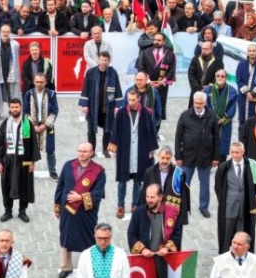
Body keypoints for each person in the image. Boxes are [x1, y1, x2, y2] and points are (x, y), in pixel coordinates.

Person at [126, 183, 183, 278]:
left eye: (152, 197)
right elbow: (131, 234)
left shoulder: (172, 212)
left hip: (161, 258)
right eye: (147, 196)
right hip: (143, 258)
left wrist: (166, 247)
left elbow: (177, 234)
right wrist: (143, 249)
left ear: (160, 197)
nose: (149, 200)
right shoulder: (139, 213)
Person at [54, 142, 106, 278]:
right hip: (67, 209)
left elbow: (98, 193)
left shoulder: (99, 171)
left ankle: (90, 267)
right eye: (79, 151)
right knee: (65, 235)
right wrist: (57, 206)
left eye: (84, 151)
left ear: (91, 153)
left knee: (88, 237)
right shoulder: (68, 165)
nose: (81, 154)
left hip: (86, 212)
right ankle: (66, 266)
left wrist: (81, 197)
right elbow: (60, 187)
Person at [108, 90, 158, 218]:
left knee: (138, 181)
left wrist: (151, 149)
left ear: (139, 99)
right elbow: (115, 130)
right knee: (122, 181)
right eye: (129, 100)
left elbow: (151, 131)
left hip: (140, 150)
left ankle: (135, 205)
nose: (131, 103)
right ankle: (120, 205)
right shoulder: (121, 113)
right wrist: (113, 148)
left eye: (134, 100)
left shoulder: (146, 113)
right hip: (125, 150)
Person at [0, 98, 40, 223]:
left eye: (17, 107)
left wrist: (32, 162)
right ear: (9, 108)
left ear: (21, 107)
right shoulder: (5, 124)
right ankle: (8, 210)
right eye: (12, 107)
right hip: (8, 160)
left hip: (24, 161)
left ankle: (22, 211)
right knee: (6, 185)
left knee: (24, 185)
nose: (14, 109)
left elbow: (33, 144)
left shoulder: (27, 124)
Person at [175, 91, 220, 218]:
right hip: (188, 155)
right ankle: (182, 205)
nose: (198, 105)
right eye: (196, 102)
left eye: (200, 103)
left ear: (205, 103)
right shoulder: (185, 116)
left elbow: (217, 137)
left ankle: (204, 207)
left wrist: (216, 157)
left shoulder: (211, 116)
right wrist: (178, 156)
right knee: (185, 183)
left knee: (205, 183)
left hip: (206, 156)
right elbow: (178, 137)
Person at [215, 142, 256, 254]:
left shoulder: (250, 165)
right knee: (227, 234)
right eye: (232, 152)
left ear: (243, 152)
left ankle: (242, 255)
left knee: (243, 234)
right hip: (229, 207)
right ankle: (225, 255)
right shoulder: (224, 167)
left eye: (237, 152)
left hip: (245, 207)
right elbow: (218, 187)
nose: (234, 155)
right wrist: (225, 201)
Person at [80, 51, 123, 157]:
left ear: (109, 61)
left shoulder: (113, 73)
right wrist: (84, 104)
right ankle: (91, 151)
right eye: (102, 60)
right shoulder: (90, 72)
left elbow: (117, 89)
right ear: (98, 60)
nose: (103, 62)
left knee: (108, 130)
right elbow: (85, 88)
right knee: (91, 131)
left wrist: (117, 106)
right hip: (93, 107)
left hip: (107, 107)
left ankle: (106, 150)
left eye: (106, 60)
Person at [138, 145, 190, 233]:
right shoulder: (149, 172)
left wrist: (182, 219)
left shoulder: (179, 174)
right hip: (154, 211)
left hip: (171, 214)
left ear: (171, 158)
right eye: (162, 158)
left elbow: (183, 198)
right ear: (158, 157)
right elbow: (144, 193)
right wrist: (140, 214)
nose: (165, 161)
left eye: (167, 158)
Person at [23, 72, 59, 180]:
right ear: (34, 82)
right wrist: (32, 125)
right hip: (32, 126)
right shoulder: (28, 94)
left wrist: (45, 125)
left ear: (45, 82)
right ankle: (28, 171)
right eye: (37, 82)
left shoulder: (52, 94)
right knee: (29, 149)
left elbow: (54, 112)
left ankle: (52, 171)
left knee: (50, 150)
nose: (39, 84)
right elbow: (25, 112)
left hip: (47, 126)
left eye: (41, 82)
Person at [138, 33, 176, 132]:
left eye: (159, 40)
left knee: (160, 107)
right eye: (155, 40)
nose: (156, 42)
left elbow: (171, 70)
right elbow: (142, 67)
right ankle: (145, 128)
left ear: (164, 42)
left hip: (162, 86)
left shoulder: (169, 53)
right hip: (148, 85)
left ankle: (156, 130)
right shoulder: (146, 52)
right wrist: (148, 81)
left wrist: (162, 82)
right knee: (147, 105)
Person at [205, 69, 237, 162]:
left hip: (224, 124)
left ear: (226, 78)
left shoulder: (232, 91)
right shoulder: (208, 90)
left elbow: (232, 109)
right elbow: (206, 106)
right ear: (215, 77)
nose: (220, 78)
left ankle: (221, 166)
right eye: (218, 76)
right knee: (209, 144)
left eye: (222, 76)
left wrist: (222, 120)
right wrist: (213, 119)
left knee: (222, 146)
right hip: (210, 123)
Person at [0, 25, 20, 123]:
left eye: (7, 32)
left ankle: (13, 111)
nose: (5, 34)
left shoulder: (15, 44)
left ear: (10, 32)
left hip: (11, 71)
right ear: (1, 32)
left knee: (12, 93)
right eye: (3, 32)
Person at [236, 44, 256, 131]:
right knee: (242, 121)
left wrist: (253, 93)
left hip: (255, 98)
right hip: (243, 97)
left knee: (254, 121)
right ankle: (241, 142)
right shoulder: (241, 64)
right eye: (250, 51)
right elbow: (238, 79)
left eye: (254, 51)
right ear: (247, 52)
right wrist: (247, 92)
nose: (252, 53)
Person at [187, 41, 223, 108]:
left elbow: (218, 75)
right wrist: (198, 88)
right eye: (202, 48)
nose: (203, 51)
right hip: (196, 90)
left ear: (211, 49)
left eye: (206, 49)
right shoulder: (195, 59)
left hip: (211, 91)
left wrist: (209, 87)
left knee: (209, 111)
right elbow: (191, 74)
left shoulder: (218, 60)